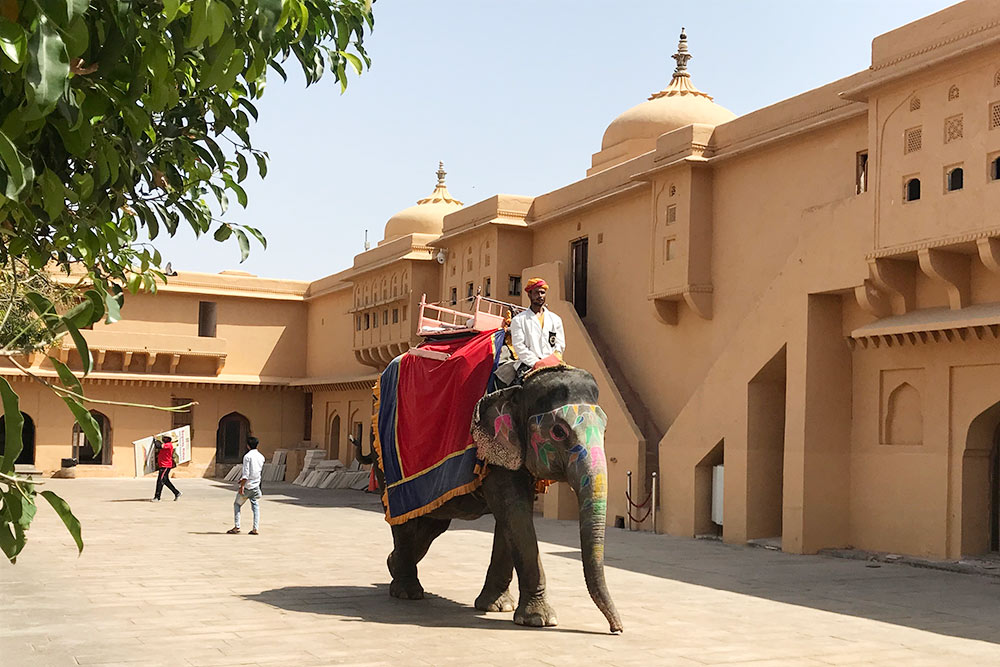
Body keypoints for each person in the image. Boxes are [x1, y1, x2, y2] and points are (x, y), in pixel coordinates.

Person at [509, 277, 566, 375]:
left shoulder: (555, 319)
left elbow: (559, 345)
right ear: (529, 294)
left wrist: (551, 360)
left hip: (553, 364)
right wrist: (537, 363)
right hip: (529, 365)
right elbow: (519, 346)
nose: (540, 296)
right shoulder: (518, 320)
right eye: (536, 293)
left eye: (542, 293)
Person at [228, 436, 264, 535]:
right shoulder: (261, 457)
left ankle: (237, 526)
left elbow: (246, 474)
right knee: (256, 507)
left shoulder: (247, 457)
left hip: (248, 486)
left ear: (248, 446)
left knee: (237, 504)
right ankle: (255, 528)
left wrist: (242, 486)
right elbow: (258, 472)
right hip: (256, 486)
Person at [152, 435, 181, 501]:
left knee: (160, 481)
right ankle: (177, 493)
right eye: (163, 437)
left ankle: (157, 497)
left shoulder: (169, 445)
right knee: (165, 481)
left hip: (165, 466)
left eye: (165, 438)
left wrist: (155, 440)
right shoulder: (165, 444)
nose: (164, 439)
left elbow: (159, 446)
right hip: (162, 465)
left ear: (169, 439)